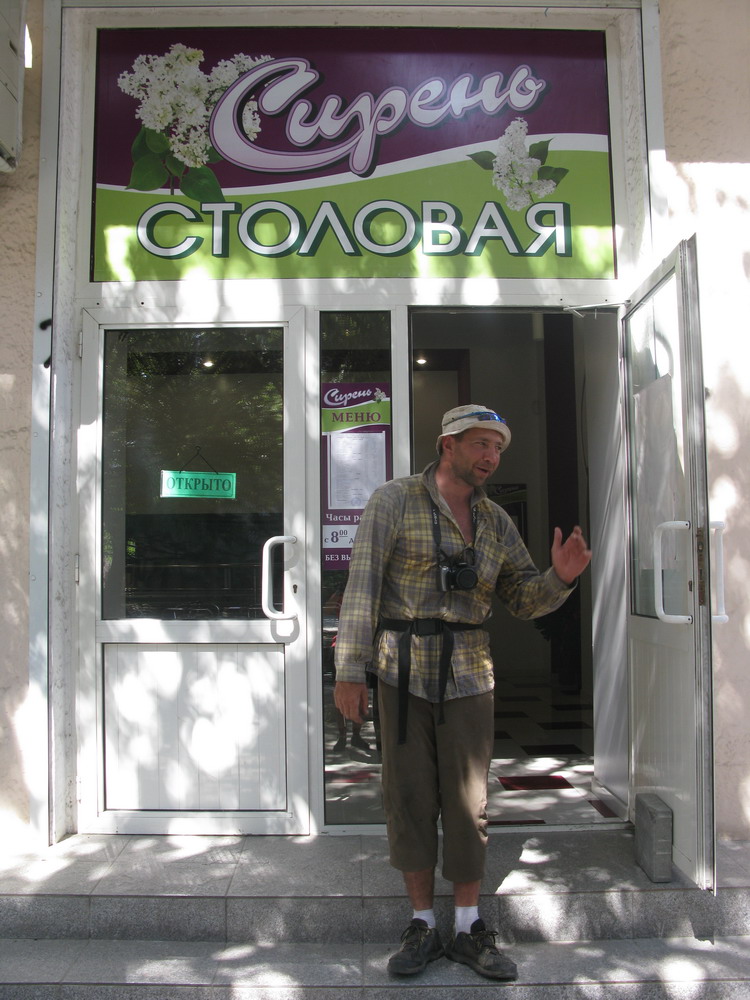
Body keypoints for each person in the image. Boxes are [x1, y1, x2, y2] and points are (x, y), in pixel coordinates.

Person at [334, 404, 591, 981]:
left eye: (497, 448)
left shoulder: (495, 520)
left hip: (470, 672)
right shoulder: (393, 500)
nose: (490, 456)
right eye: (480, 444)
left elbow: (522, 598)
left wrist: (561, 578)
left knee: (469, 803)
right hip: (401, 671)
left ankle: (470, 925)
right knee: (408, 797)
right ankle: (423, 924)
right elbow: (363, 585)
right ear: (447, 444)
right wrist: (350, 670)